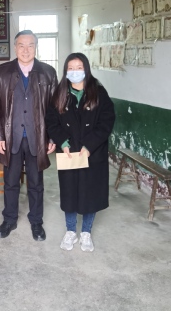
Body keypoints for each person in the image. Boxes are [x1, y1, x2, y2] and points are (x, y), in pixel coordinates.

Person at [0, 30, 58, 241]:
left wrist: (52, 137)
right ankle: (9, 219)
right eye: (21, 45)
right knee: (10, 182)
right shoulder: (3, 71)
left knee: (36, 183)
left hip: (38, 138)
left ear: (36, 47)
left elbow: (56, 109)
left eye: (30, 45)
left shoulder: (48, 73)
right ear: (15, 47)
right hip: (12, 137)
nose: (26, 50)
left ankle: (36, 222)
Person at [45, 53, 115, 252]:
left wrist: (90, 145)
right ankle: (70, 231)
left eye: (79, 67)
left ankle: (86, 232)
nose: (75, 72)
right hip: (69, 153)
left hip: (92, 153)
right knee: (69, 193)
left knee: (90, 193)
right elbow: (51, 121)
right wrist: (63, 142)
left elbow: (107, 122)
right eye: (71, 68)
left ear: (86, 69)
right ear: (65, 71)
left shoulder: (98, 92)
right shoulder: (59, 94)